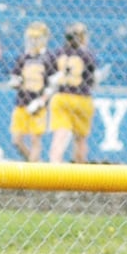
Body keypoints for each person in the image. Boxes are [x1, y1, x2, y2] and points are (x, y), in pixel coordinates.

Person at [48, 22, 98, 164]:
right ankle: (80, 171)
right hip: (82, 97)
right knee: (80, 139)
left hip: (62, 95)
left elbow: (51, 75)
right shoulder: (87, 54)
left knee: (60, 135)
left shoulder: (58, 53)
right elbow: (91, 80)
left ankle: (54, 166)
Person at [8, 21, 57, 162]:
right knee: (16, 140)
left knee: (35, 139)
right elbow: (15, 77)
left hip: (38, 105)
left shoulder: (49, 58)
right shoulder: (24, 57)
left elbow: (52, 85)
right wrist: (16, 82)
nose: (33, 42)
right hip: (22, 102)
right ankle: (34, 166)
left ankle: (32, 174)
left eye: (37, 38)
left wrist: (41, 101)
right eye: (31, 38)